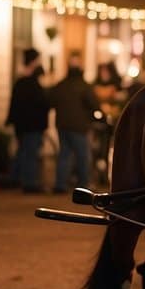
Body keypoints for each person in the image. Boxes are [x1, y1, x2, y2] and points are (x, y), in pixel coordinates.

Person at [50, 52, 99, 194]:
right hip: (78, 126)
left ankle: (60, 184)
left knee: (64, 154)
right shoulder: (84, 86)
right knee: (82, 156)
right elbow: (93, 104)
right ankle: (83, 185)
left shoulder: (61, 85)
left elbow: (51, 101)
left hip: (62, 125)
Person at [6, 48, 50, 193]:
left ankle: (15, 178)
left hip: (23, 125)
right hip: (32, 125)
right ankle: (29, 183)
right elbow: (40, 103)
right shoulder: (31, 84)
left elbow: (14, 103)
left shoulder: (21, 82)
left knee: (23, 152)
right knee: (29, 153)